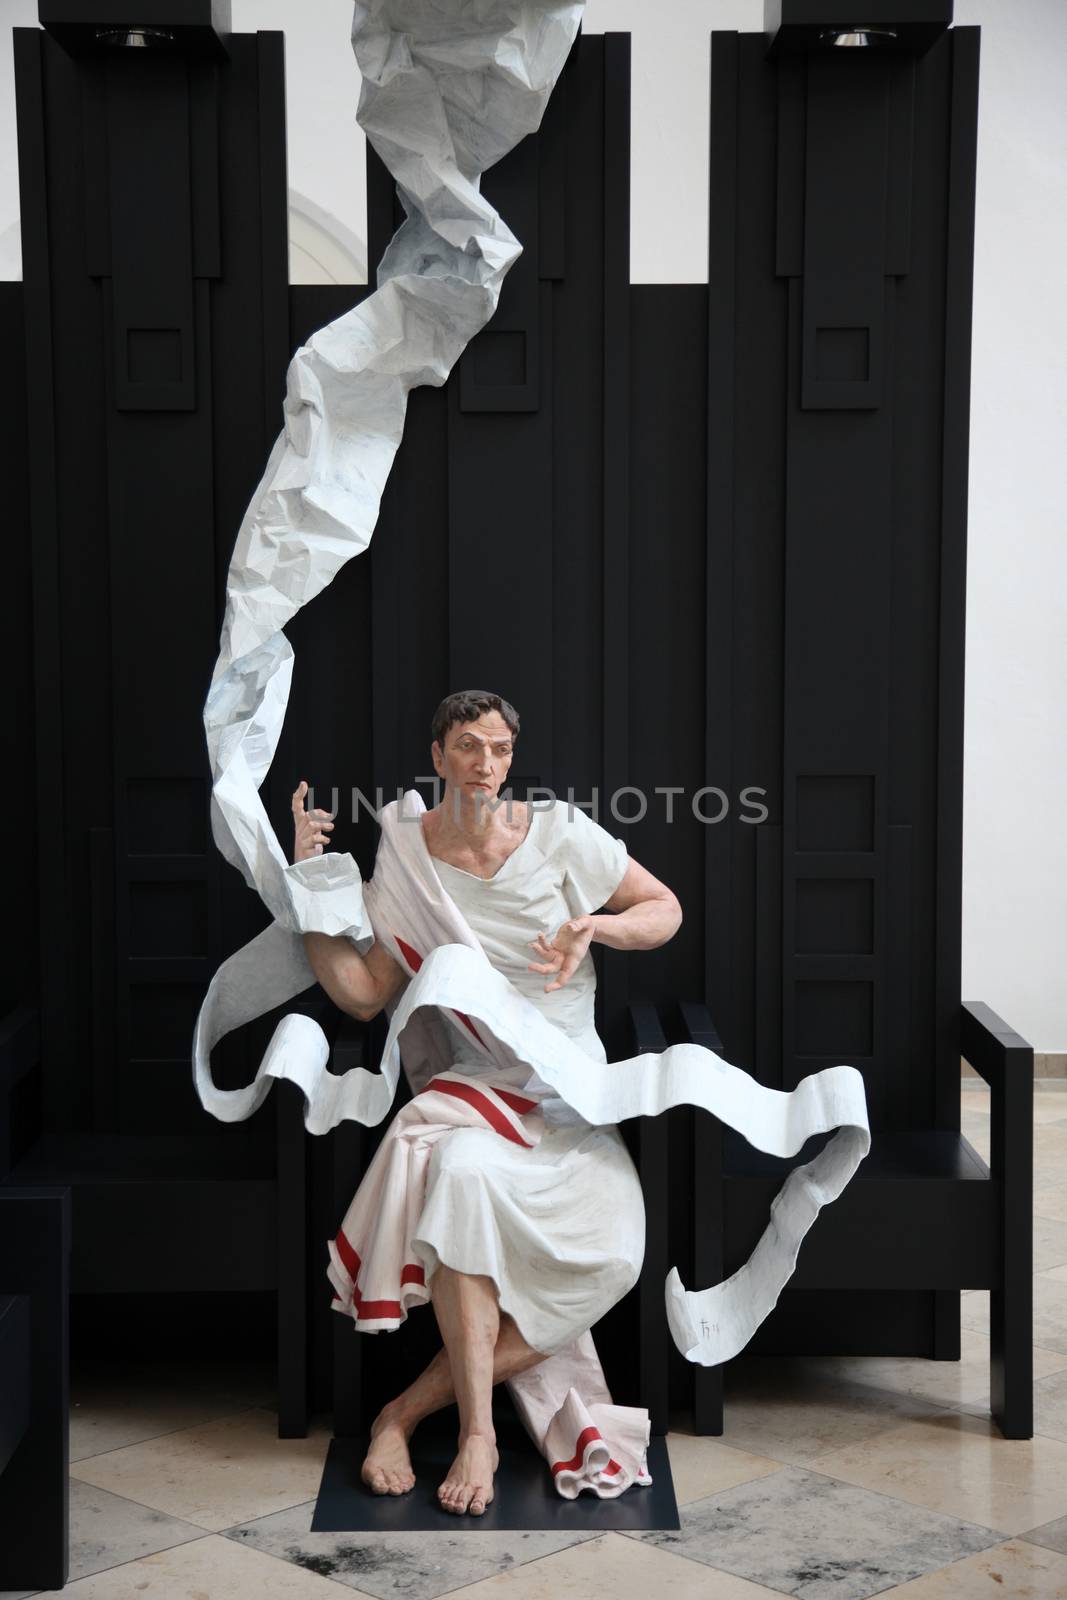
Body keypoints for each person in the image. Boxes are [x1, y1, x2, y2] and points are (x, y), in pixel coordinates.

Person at [294, 689, 681, 1517]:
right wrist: (306, 888)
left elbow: (662, 908)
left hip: (567, 1092)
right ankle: (477, 1432)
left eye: (500, 749)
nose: (485, 766)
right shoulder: (408, 862)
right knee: (459, 1175)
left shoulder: (561, 835)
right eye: (469, 747)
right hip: (477, 1089)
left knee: (615, 1255)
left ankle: (400, 1412)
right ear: (436, 757)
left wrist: (595, 930)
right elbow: (363, 994)